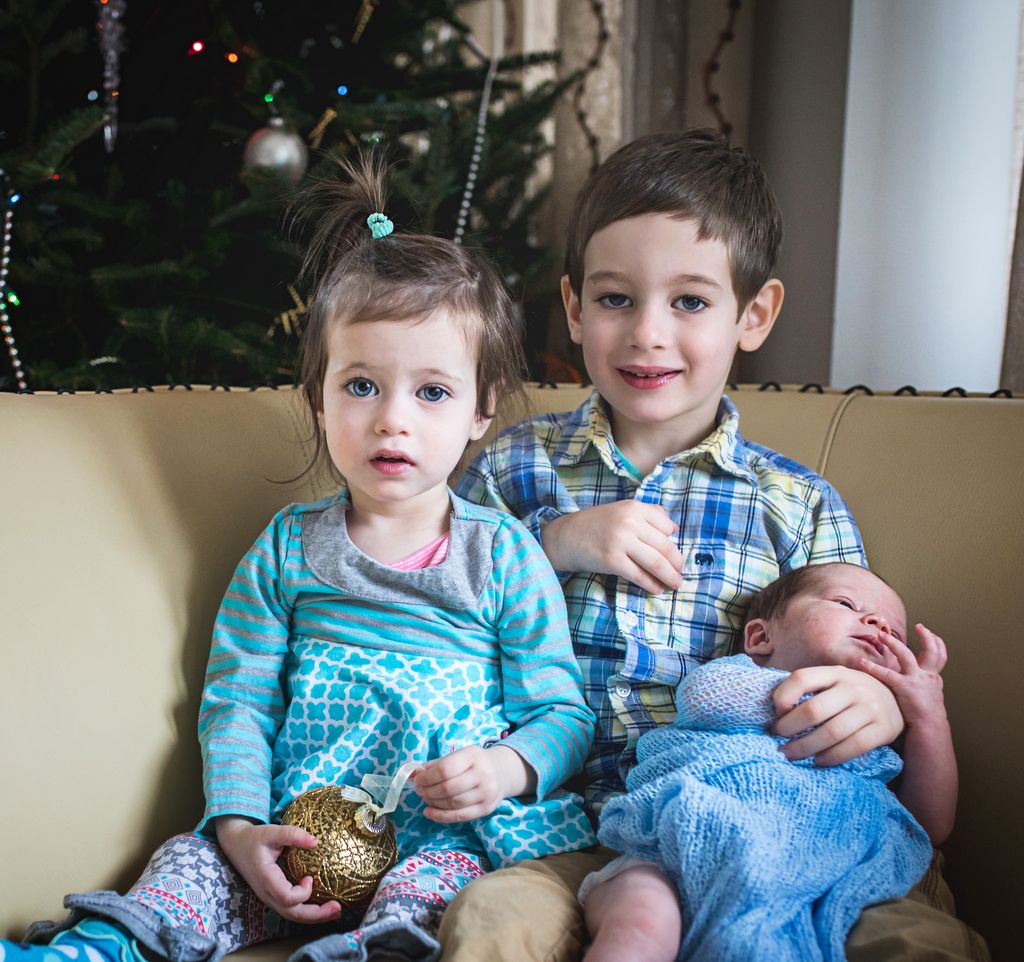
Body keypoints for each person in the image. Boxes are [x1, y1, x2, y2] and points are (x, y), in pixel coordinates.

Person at [2, 154, 596, 962]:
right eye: (361, 386)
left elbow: (562, 714)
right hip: (288, 842)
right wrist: (239, 829)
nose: (392, 420)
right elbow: (238, 701)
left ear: (481, 410)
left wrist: (505, 769)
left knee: (432, 904)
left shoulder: (502, 556)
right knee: (183, 873)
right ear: (318, 394)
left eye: (431, 392)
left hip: (439, 844)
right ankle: (82, 955)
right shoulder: (287, 547)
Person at [442, 128, 988, 961]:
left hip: (774, 826)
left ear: (753, 315)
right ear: (575, 307)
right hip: (566, 833)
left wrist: (879, 707)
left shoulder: (797, 505)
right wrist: (551, 542)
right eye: (616, 299)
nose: (647, 333)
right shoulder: (516, 467)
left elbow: (863, 638)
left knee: (921, 942)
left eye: (690, 303)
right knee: (493, 925)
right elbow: (429, 597)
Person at [582, 562, 951, 962]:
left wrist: (928, 716)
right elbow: (707, 699)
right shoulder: (735, 675)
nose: (878, 624)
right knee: (643, 921)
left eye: (895, 634)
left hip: (822, 868)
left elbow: (928, 823)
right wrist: (813, 694)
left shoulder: (880, 730)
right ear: (760, 637)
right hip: (678, 846)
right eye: (846, 604)